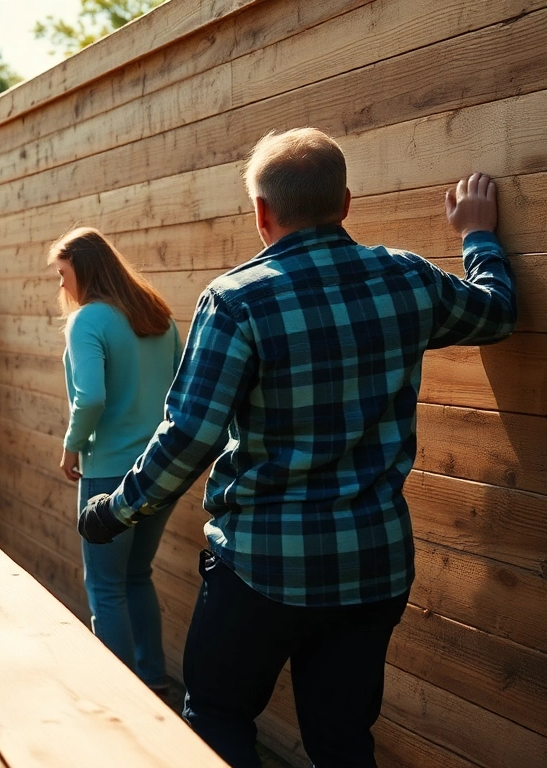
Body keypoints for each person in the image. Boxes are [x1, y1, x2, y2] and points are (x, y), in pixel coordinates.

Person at [78, 129, 516, 768]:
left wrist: (115, 510)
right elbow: (497, 313)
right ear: (345, 202)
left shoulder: (235, 301)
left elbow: (191, 435)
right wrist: (477, 235)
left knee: (217, 721)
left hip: (261, 568)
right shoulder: (407, 280)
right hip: (375, 563)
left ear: (260, 213)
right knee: (341, 744)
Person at [51, 228, 181, 694]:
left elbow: (90, 398)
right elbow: (180, 391)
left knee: (105, 586)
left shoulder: (88, 320)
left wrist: (71, 445)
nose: (61, 287)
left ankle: (121, 698)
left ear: (84, 270)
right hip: (160, 471)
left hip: (107, 473)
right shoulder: (159, 316)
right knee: (136, 575)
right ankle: (152, 682)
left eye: (63, 274)